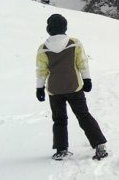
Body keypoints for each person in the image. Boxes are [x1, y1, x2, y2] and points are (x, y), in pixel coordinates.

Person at [35, 14, 108, 160]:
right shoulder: (74, 43)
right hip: (74, 87)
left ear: (49, 29)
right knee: (84, 116)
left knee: (59, 119)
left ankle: (61, 149)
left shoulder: (43, 49)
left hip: (54, 90)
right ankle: (99, 145)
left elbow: (41, 70)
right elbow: (82, 63)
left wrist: (40, 88)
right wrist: (87, 79)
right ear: (65, 27)